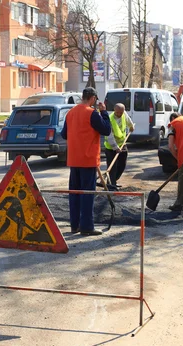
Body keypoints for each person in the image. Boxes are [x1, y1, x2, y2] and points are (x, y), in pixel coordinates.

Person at [61, 87, 111, 236]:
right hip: (88, 160)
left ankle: (74, 225)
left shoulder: (70, 113)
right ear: (93, 98)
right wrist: (104, 112)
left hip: (74, 160)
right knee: (87, 194)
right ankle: (87, 226)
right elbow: (106, 130)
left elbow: (64, 134)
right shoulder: (92, 113)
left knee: (74, 194)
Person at [103, 103, 135, 187]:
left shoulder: (124, 114)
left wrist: (131, 126)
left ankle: (114, 181)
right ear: (115, 111)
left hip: (122, 144)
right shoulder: (109, 119)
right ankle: (111, 184)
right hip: (111, 147)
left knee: (122, 165)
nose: (120, 114)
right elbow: (109, 136)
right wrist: (115, 147)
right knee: (112, 168)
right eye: (118, 113)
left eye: (121, 112)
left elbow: (128, 121)